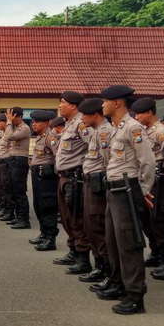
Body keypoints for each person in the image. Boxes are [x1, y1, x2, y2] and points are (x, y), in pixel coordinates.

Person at [96, 85, 156, 315]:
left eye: (106, 101)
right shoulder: (115, 128)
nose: (103, 105)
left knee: (129, 244)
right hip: (114, 189)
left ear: (118, 103)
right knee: (113, 241)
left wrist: (143, 190)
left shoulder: (133, 128)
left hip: (127, 190)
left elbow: (148, 162)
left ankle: (135, 296)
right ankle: (120, 284)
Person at [132, 98, 164, 277]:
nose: (137, 117)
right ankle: (156, 251)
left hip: (158, 180)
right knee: (146, 219)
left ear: (150, 112)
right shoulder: (143, 130)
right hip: (144, 178)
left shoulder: (160, 131)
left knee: (158, 219)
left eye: (140, 113)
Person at [54, 91, 92, 275]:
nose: (59, 106)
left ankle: (83, 258)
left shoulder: (81, 124)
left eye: (62, 103)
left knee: (76, 218)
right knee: (67, 218)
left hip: (75, 178)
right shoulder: (69, 124)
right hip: (65, 177)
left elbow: (94, 147)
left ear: (74, 106)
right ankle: (73, 251)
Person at [79, 97, 115, 284]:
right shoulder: (94, 131)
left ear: (94, 115)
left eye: (84, 114)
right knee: (91, 226)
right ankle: (100, 266)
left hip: (99, 185)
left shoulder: (105, 132)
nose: (82, 118)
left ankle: (108, 270)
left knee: (99, 226)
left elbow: (110, 162)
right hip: (90, 183)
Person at [28, 110, 59, 251]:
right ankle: (43, 233)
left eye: (37, 122)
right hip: (38, 174)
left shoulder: (51, 136)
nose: (33, 124)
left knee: (47, 206)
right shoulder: (40, 136)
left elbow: (58, 156)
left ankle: (50, 238)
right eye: (33, 122)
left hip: (47, 176)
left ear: (46, 123)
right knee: (38, 205)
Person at [3, 107, 32, 229]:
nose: (9, 119)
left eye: (11, 116)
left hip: (20, 160)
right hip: (12, 159)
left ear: (18, 116)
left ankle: (24, 219)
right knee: (13, 189)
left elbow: (8, 137)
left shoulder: (24, 128)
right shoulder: (15, 127)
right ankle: (17, 216)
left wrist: (9, 123)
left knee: (19, 191)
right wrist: (10, 123)